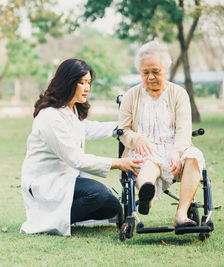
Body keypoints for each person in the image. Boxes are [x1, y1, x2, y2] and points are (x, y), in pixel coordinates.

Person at [20, 58, 142, 236]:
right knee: (98, 194)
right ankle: (48, 220)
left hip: (66, 180)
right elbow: (75, 159)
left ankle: (62, 216)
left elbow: (88, 128)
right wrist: (119, 163)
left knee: (113, 208)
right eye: (82, 82)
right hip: (47, 182)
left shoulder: (71, 109)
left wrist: (121, 127)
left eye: (89, 83)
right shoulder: (50, 117)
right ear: (68, 82)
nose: (87, 88)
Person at [118, 41, 206, 227]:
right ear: (140, 72)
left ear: (166, 70)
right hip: (144, 149)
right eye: (145, 72)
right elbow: (123, 131)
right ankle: (146, 197)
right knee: (149, 164)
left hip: (174, 148)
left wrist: (176, 152)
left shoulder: (179, 94)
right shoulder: (131, 96)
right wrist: (137, 138)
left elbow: (183, 130)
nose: (150, 77)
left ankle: (181, 215)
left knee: (194, 157)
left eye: (155, 71)